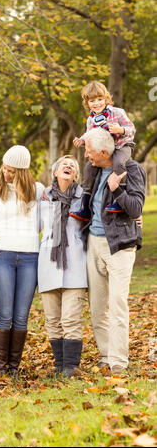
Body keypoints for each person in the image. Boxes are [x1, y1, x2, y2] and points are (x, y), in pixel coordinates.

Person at [81, 128, 145, 375]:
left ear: (104, 152)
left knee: (117, 305)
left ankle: (119, 362)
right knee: (98, 307)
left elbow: (136, 207)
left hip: (119, 245)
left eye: (89, 151)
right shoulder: (94, 171)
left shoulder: (132, 169)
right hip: (94, 244)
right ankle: (106, 356)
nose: (86, 155)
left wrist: (117, 189)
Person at [0, 145, 44, 378]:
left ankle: (13, 368)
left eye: (12, 171)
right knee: (5, 314)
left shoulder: (38, 190)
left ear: (23, 172)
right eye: (5, 169)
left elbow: (41, 222)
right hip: (3, 255)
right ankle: (0, 370)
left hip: (30, 255)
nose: (7, 174)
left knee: (21, 315)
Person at [38, 155, 87, 378]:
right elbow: (30, 225)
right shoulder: (43, 199)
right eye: (64, 165)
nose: (69, 166)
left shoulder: (84, 197)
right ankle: (59, 367)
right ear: (55, 172)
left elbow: (100, 221)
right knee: (53, 320)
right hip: (48, 263)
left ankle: (70, 367)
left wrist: (135, 220)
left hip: (75, 263)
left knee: (71, 319)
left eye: (73, 166)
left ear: (75, 174)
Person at [71, 80, 136, 220]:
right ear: (87, 103)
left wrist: (121, 129)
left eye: (100, 99)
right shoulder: (91, 120)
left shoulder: (117, 113)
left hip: (121, 145)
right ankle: (85, 206)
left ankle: (119, 200)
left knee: (119, 163)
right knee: (88, 169)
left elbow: (132, 129)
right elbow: (90, 136)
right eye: (92, 100)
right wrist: (82, 141)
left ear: (106, 99)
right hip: (104, 150)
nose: (97, 103)